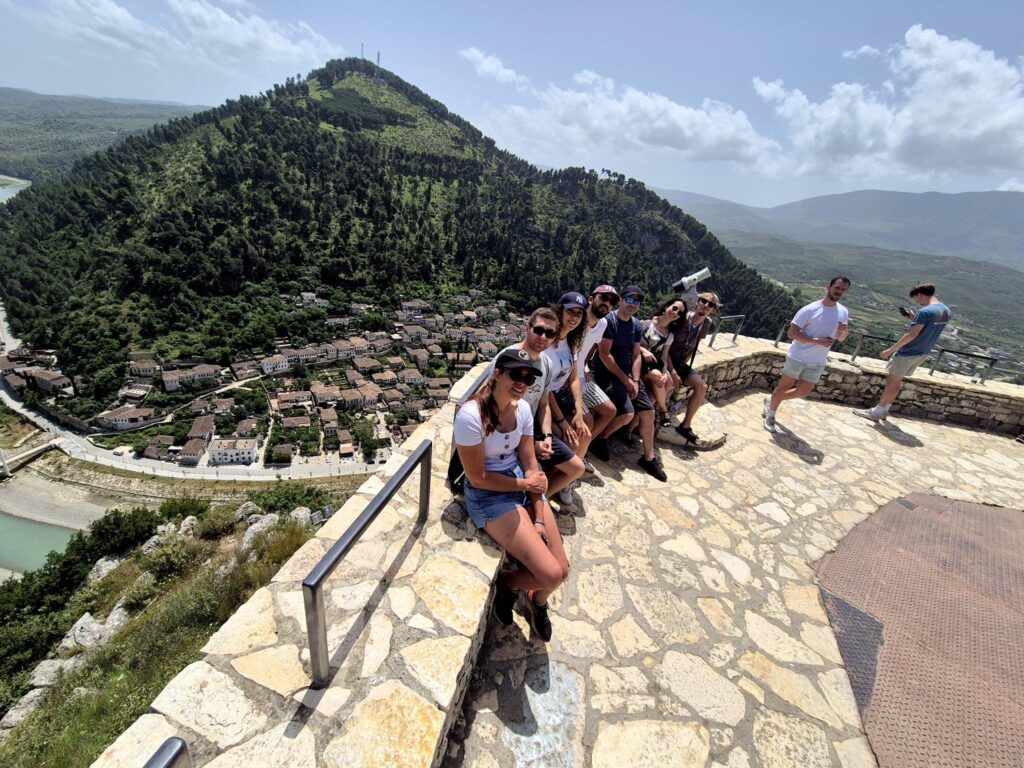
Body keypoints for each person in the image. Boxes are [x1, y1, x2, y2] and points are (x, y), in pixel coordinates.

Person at [455, 349, 569, 641]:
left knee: (562, 571)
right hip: (487, 494)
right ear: (497, 374)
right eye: (515, 374)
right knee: (550, 574)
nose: (522, 382)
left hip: (519, 483)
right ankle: (508, 583)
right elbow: (477, 477)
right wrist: (526, 487)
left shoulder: (522, 410)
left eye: (528, 377)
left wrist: (540, 518)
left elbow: (530, 463)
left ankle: (537, 601)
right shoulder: (471, 416)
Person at [483, 307, 586, 498]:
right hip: (507, 430)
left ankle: (543, 498)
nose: (543, 337)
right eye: (538, 330)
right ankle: (537, 501)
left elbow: (544, 403)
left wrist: (546, 436)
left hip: (533, 430)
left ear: (555, 337)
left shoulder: (545, 363)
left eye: (549, 333)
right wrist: (529, 443)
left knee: (576, 468)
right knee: (535, 477)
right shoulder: (506, 358)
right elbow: (487, 401)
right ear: (527, 329)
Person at [589, 285, 667, 482]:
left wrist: (635, 380)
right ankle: (601, 439)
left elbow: (635, 355)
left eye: (637, 302)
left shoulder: (635, 325)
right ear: (621, 300)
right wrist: (626, 380)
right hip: (607, 375)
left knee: (648, 412)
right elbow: (605, 355)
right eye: (629, 300)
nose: (633, 305)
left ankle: (649, 458)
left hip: (629, 376)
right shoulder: (609, 321)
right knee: (627, 414)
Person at [854, 283, 952, 422]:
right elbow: (929, 329)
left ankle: (876, 412)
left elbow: (911, 335)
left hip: (908, 352)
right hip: (923, 352)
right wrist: (914, 319)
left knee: (891, 383)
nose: (918, 302)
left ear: (921, 294)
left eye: (917, 299)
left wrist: (890, 350)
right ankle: (884, 410)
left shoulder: (925, 312)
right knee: (897, 382)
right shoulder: (946, 310)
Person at [764, 277, 850, 433]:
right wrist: (815, 341)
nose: (839, 291)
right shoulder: (810, 309)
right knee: (784, 387)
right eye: (837, 287)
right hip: (798, 356)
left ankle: (771, 401)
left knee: (803, 392)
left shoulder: (843, 312)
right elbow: (791, 333)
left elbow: (841, 338)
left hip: (818, 360)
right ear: (828, 286)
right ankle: (771, 415)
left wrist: (843, 331)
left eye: (843, 289)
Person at [543, 292, 593, 506]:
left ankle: (561, 483)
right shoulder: (547, 340)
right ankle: (546, 491)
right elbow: (545, 388)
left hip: (560, 399)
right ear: (560, 311)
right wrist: (562, 422)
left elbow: (574, 378)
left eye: (579, 314)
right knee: (571, 440)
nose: (574, 317)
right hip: (543, 402)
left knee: (585, 431)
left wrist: (579, 412)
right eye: (570, 311)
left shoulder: (570, 342)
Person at [663, 292, 720, 447]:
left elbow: (693, 345)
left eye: (711, 305)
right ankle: (659, 415)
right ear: (697, 302)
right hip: (665, 358)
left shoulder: (706, 324)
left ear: (713, 310)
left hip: (680, 362)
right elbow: (665, 344)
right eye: (703, 301)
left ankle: (685, 425)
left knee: (701, 387)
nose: (706, 306)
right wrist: (672, 371)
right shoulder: (681, 319)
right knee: (668, 382)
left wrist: (683, 367)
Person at [574, 285, 619, 467]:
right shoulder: (576, 318)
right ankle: (575, 459)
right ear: (591, 299)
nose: (606, 304)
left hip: (581, 375)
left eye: (611, 302)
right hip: (567, 379)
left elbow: (591, 348)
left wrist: (586, 368)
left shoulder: (602, 324)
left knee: (610, 411)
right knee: (588, 420)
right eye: (603, 298)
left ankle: (584, 449)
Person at [638, 298, 687, 426]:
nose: (675, 312)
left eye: (679, 312)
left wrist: (666, 372)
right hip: (638, 360)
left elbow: (664, 357)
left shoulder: (669, 335)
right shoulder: (647, 323)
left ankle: (653, 409)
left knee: (669, 381)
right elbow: (632, 342)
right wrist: (643, 350)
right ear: (666, 306)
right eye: (674, 308)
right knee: (657, 376)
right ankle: (663, 410)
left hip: (652, 363)